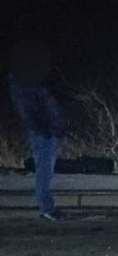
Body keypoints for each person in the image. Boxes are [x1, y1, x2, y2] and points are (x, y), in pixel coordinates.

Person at [8, 41, 66, 221]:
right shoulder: (25, 85)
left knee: (45, 170)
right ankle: (46, 207)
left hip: (48, 130)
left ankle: (46, 206)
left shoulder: (29, 83)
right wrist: (47, 129)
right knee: (44, 170)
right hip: (45, 131)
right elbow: (31, 111)